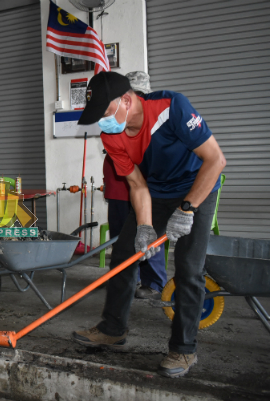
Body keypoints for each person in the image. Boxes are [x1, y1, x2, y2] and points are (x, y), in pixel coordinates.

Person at [73, 71, 225, 378]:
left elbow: (216, 160)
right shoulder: (111, 134)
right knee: (124, 253)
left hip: (197, 187)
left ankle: (183, 350)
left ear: (127, 100)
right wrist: (144, 226)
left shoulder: (173, 108)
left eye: (105, 113)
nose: (103, 122)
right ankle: (113, 329)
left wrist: (188, 209)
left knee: (188, 269)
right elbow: (137, 185)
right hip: (154, 192)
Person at [103, 71, 167, 300]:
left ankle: (155, 282)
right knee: (121, 240)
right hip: (118, 190)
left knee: (147, 233)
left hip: (141, 192)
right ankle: (128, 280)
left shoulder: (153, 121)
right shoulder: (117, 122)